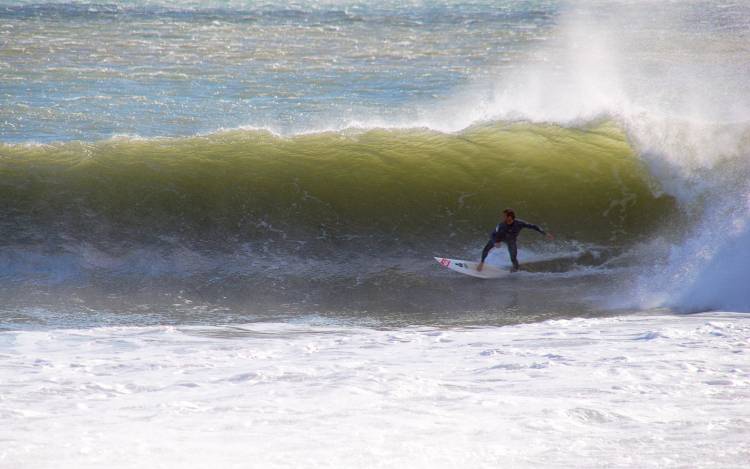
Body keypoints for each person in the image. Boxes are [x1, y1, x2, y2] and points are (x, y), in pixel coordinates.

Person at [477, 208, 554, 272]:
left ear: (510, 217)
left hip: (511, 240)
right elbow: (492, 234)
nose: (503, 218)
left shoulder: (519, 223)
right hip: (499, 238)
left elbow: (533, 226)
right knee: (486, 248)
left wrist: (545, 233)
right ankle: (481, 263)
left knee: (513, 257)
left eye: (504, 216)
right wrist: (495, 242)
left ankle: (514, 271)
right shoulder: (501, 225)